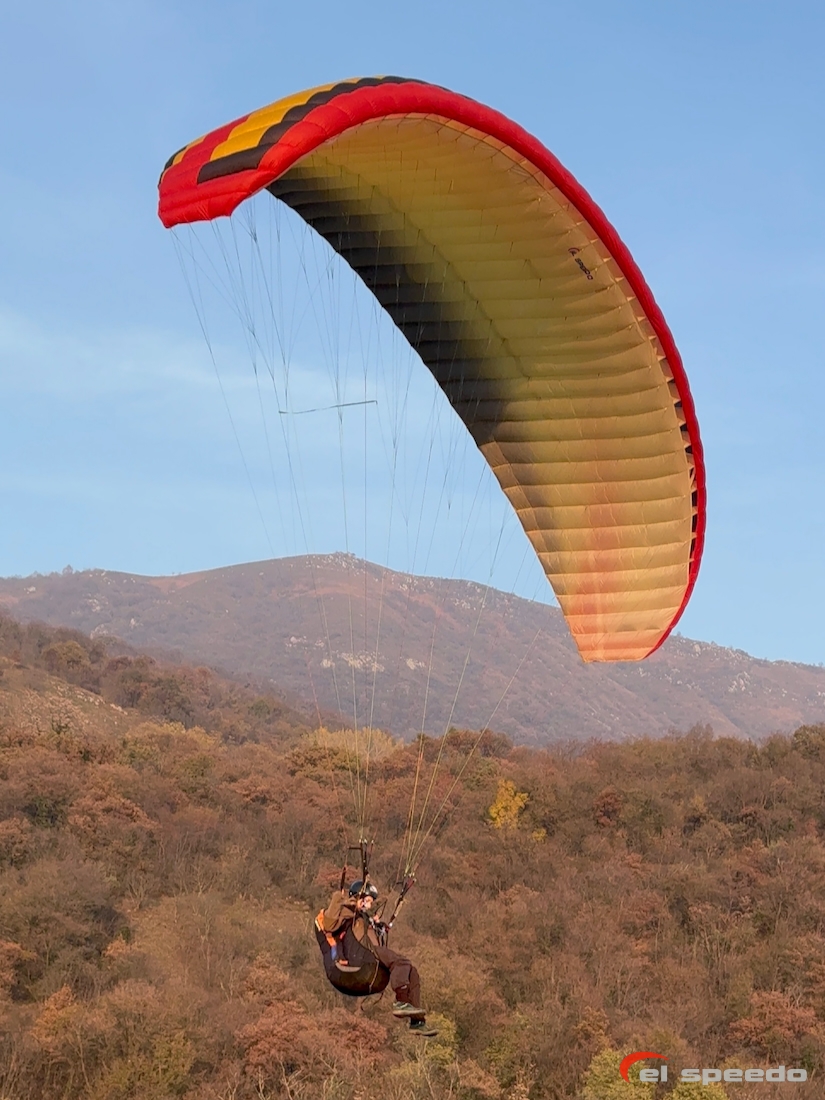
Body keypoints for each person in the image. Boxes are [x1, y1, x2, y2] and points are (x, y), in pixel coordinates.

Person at [320, 879, 436, 1036]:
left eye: (370, 902)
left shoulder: (366, 917)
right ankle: (401, 1001)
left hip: (373, 955)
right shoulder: (348, 913)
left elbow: (372, 925)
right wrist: (342, 900)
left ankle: (417, 1022)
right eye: (367, 901)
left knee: (412, 971)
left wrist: (377, 924)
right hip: (363, 954)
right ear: (358, 898)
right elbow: (329, 924)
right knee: (401, 962)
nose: (369, 905)